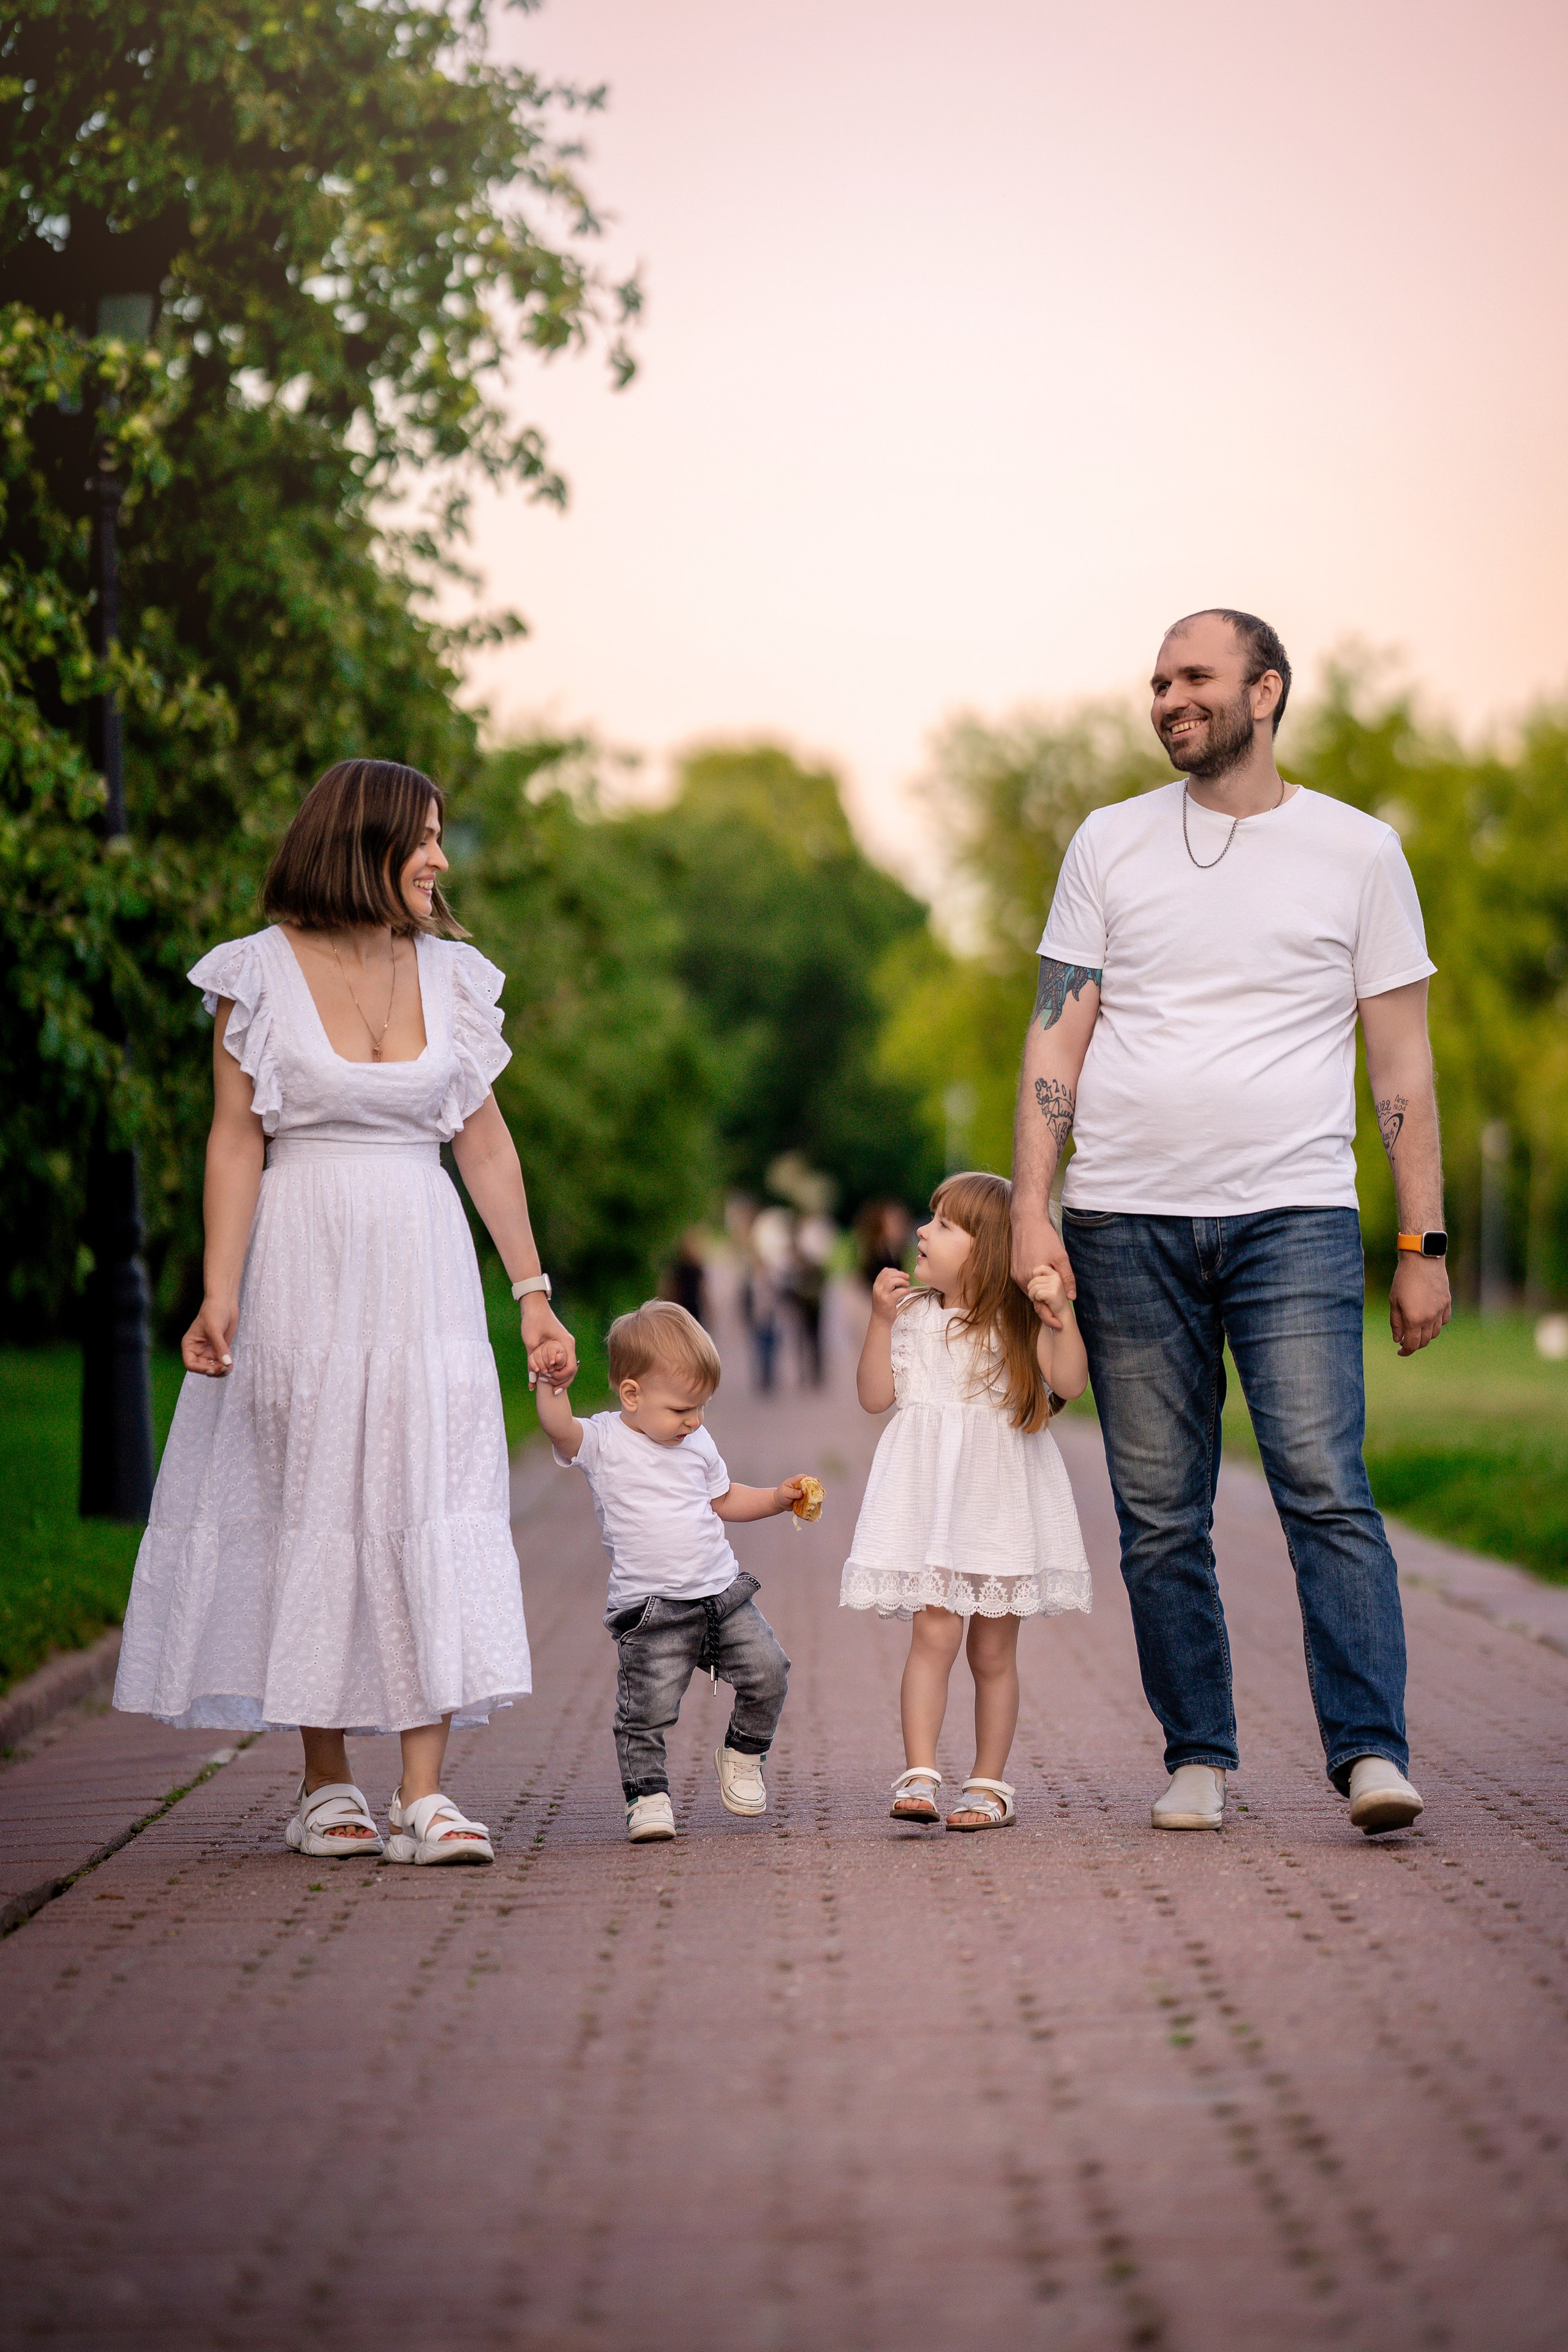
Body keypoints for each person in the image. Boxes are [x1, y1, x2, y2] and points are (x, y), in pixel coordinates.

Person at [1011, 609, 1450, 1838]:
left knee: (1321, 1480)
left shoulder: (1357, 853)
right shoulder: (1107, 844)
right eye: (1155, 681)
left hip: (1293, 1217)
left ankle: (1368, 1753)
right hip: (1123, 1218)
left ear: (1264, 691)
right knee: (1158, 1512)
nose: (1165, 698)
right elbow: (1056, 1031)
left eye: (1191, 677)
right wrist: (1030, 1214)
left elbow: (1401, 1067)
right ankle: (1195, 1754)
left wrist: (1421, 1245)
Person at [113, 758, 576, 1864]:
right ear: (358, 842)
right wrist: (219, 1292)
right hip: (303, 1260)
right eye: (421, 837)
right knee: (310, 1491)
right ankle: (327, 1784)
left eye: (439, 837)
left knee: (432, 1485)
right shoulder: (255, 975)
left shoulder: (454, 979)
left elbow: (484, 1139)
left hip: (421, 1262)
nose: (439, 858)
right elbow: (236, 1137)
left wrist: (533, 1296)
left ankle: (425, 1792)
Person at [842, 1173, 1092, 1831]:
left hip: (997, 1505)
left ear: (989, 1249)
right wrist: (877, 1319)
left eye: (945, 1225)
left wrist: (1058, 1314)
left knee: (991, 1653)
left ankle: (987, 1784)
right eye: (929, 1220)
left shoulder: (1017, 1322)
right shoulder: (915, 1315)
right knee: (932, 1632)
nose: (922, 1232)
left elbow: (1068, 1381)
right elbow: (873, 1395)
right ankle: (919, 1774)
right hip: (932, 1504)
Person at [535, 1300, 816, 1843]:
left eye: (701, 1408)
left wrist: (778, 1500)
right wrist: (551, 1381)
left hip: (721, 1595)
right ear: (632, 1395)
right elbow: (558, 1428)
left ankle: (742, 1755)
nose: (694, 1421)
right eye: (682, 1409)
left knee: (769, 1671)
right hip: (652, 1611)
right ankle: (648, 1796)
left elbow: (726, 1499)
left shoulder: (698, 1443)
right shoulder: (604, 1442)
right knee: (648, 1709)